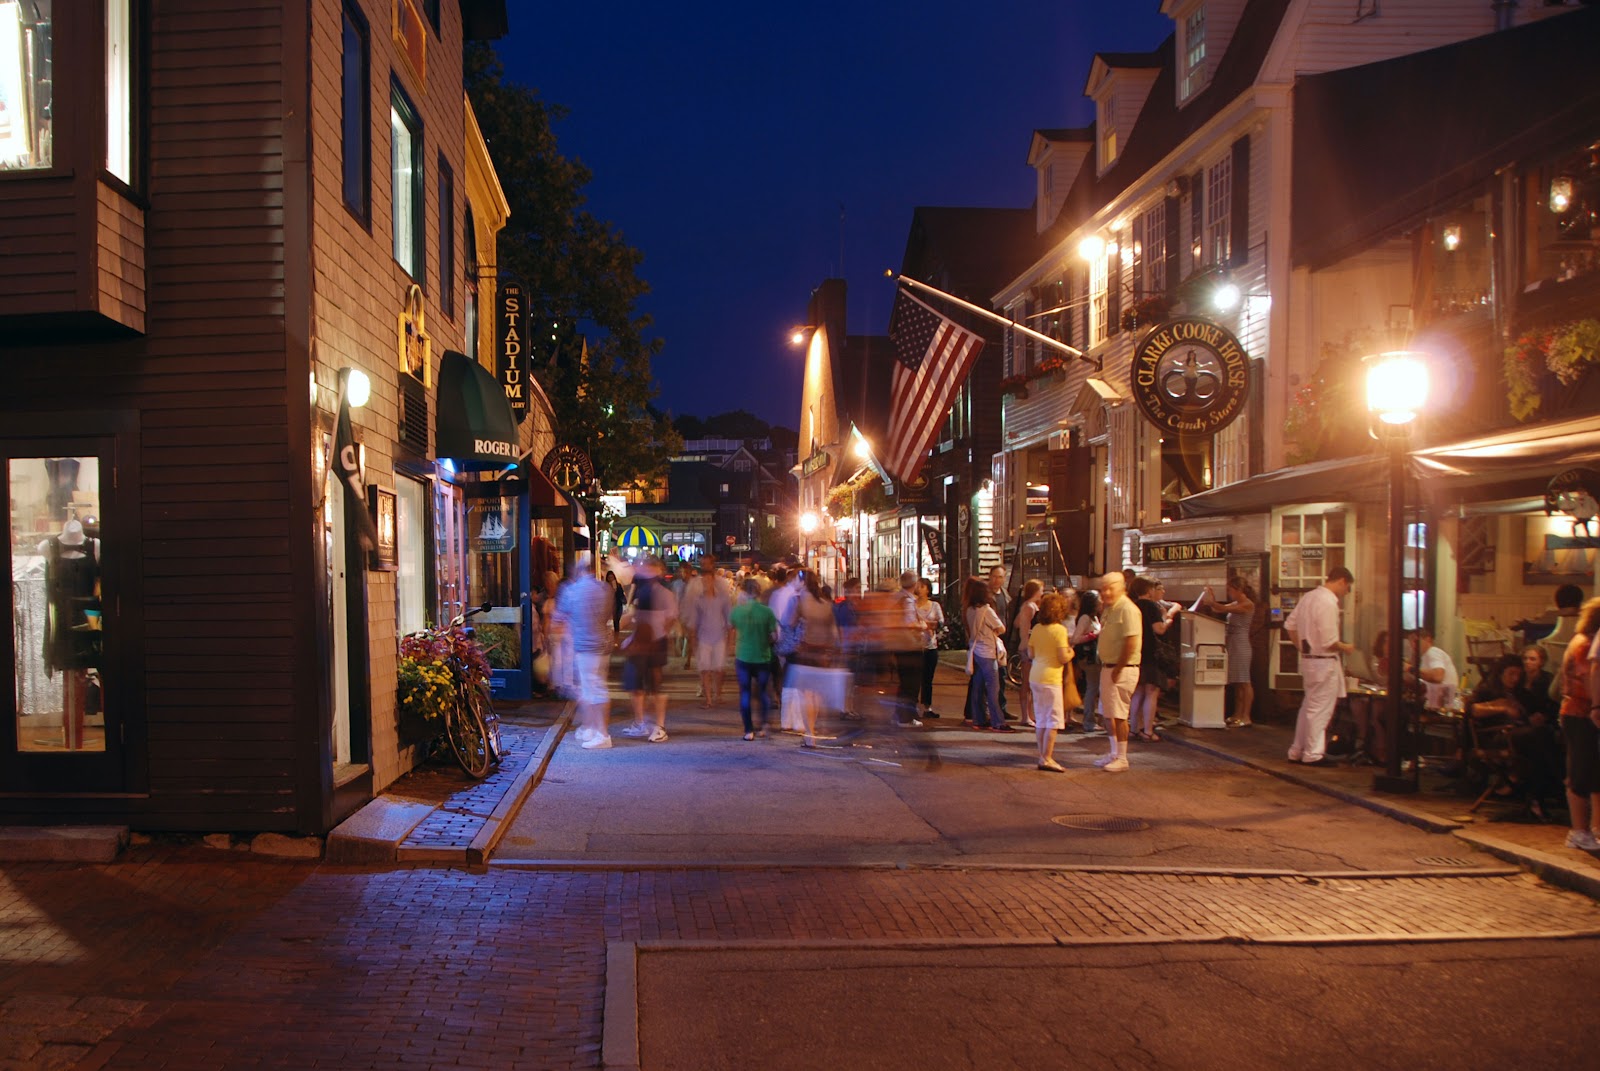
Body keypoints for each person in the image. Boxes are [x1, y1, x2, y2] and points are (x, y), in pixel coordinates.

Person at [1284, 566, 1355, 766]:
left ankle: (1297, 750)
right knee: (1320, 709)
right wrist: (1346, 647)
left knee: (1308, 706)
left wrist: (1302, 648)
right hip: (1324, 662)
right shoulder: (1328, 602)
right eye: (1347, 588)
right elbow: (1329, 641)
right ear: (1341, 581)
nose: (1346, 593)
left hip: (1308, 660)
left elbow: (1290, 625)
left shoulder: (1309, 597)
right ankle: (1313, 753)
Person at [556, 553, 614, 750]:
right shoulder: (604, 589)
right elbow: (608, 614)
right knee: (592, 688)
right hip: (602, 645)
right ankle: (591, 728)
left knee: (594, 690)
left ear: (578, 571)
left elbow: (559, 618)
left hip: (583, 645)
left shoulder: (572, 590)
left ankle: (602, 733)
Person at [619, 556, 677, 743]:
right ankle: (643, 723)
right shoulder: (649, 591)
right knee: (639, 684)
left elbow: (669, 618)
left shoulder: (660, 592)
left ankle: (656, 725)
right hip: (646, 641)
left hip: (652, 642)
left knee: (652, 685)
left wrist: (657, 633)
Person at [1561, 597, 1600, 851]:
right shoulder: (1585, 644)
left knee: (1589, 771)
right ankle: (1579, 830)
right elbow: (1588, 676)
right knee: (1580, 771)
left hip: (1578, 711)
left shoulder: (1579, 641)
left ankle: (1589, 828)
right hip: (1580, 712)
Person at [1093, 571, 1141, 772]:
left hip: (1120, 669)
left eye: (1109, 588)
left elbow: (1131, 641)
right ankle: (1114, 753)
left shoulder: (1127, 609)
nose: (1105, 592)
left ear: (1121, 587)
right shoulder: (1110, 609)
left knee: (1119, 714)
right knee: (1108, 713)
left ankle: (1122, 757)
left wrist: (1119, 668)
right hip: (1109, 667)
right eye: (1102, 588)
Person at [1029, 591, 1076, 773]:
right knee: (1053, 720)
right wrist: (1072, 652)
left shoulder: (1037, 629)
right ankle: (1047, 757)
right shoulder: (1060, 630)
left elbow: (1031, 653)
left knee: (1041, 718)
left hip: (1036, 675)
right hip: (1051, 677)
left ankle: (1042, 755)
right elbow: (1063, 657)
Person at [1203, 575, 1256, 728]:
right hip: (1232, 642)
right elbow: (1217, 609)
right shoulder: (1236, 602)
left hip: (1241, 644)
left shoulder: (1247, 604)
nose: (1229, 593)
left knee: (1244, 681)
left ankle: (1246, 716)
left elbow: (1223, 608)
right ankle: (1237, 714)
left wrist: (1213, 602)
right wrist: (1211, 599)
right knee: (1236, 682)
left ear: (1239, 590)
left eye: (1231, 590)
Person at [1128, 577, 1177, 743]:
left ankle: (1134, 728)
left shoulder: (1132, 605)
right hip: (1151, 653)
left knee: (1138, 692)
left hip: (1137, 651)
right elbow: (1159, 629)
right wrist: (1168, 620)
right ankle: (1148, 730)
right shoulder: (1152, 606)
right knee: (1151, 692)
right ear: (1148, 590)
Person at [729, 578, 778, 740]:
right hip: (763, 657)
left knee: (745, 693)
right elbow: (774, 636)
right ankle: (763, 725)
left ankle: (748, 730)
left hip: (743, 656)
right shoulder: (767, 612)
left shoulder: (737, 611)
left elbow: (730, 629)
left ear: (744, 592)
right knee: (763, 692)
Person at [683, 559, 733, 708]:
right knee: (705, 669)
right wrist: (693, 640)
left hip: (718, 637)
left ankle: (718, 694)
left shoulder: (723, 596)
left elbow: (729, 618)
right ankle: (709, 699)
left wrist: (730, 639)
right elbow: (693, 620)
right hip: (704, 637)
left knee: (719, 669)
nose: (706, 583)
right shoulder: (698, 600)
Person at [964, 577, 1010, 731]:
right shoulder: (987, 610)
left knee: (977, 686)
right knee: (993, 688)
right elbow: (1001, 627)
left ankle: (978, 718)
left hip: (976, 650)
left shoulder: (970, 610)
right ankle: (998, 722)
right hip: (988, 652)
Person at [913, 578, 945, 721]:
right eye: (918, 586)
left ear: (927, 589)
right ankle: (912, 706)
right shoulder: (912, 605)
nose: (919, 589)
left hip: (931, 646)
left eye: (922, 586)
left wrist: (929, 624)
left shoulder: (935, 605)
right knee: (915, 677)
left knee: (928, 678)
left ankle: (927, 707)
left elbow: (941, 622)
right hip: (915, 645)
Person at [1013, 580, 1044, 729]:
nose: (1042, 593)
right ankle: (1026, 716)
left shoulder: (1025, 606)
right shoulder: (1031, 607)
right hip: (1028, 647)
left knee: (1028, 682)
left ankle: (1029, 714)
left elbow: (1016, 623)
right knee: (1027, 682)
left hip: (1024, 645)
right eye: (1041, 590)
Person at [1071, 590, 1102, 733]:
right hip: (1088, 658)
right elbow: (1076, 639)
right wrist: (1093, 635)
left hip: (1095, 657)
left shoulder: (1094, 617)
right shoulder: (1085, 618)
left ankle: (1092, 719)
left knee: (1094, 688)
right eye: (1099, 599)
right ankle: (1089, 721)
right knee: (1092, 688)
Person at [1407, 628, 1459, 711]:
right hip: (1439, 699)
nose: (1413, 645)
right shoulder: (1425, 656)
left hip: (1442, 700)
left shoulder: (1433, 652)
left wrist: (1410, 668)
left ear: (1428, 640)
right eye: (1410, 642)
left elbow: (1438, 676)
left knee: (1401, 706)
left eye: (1416, 641)